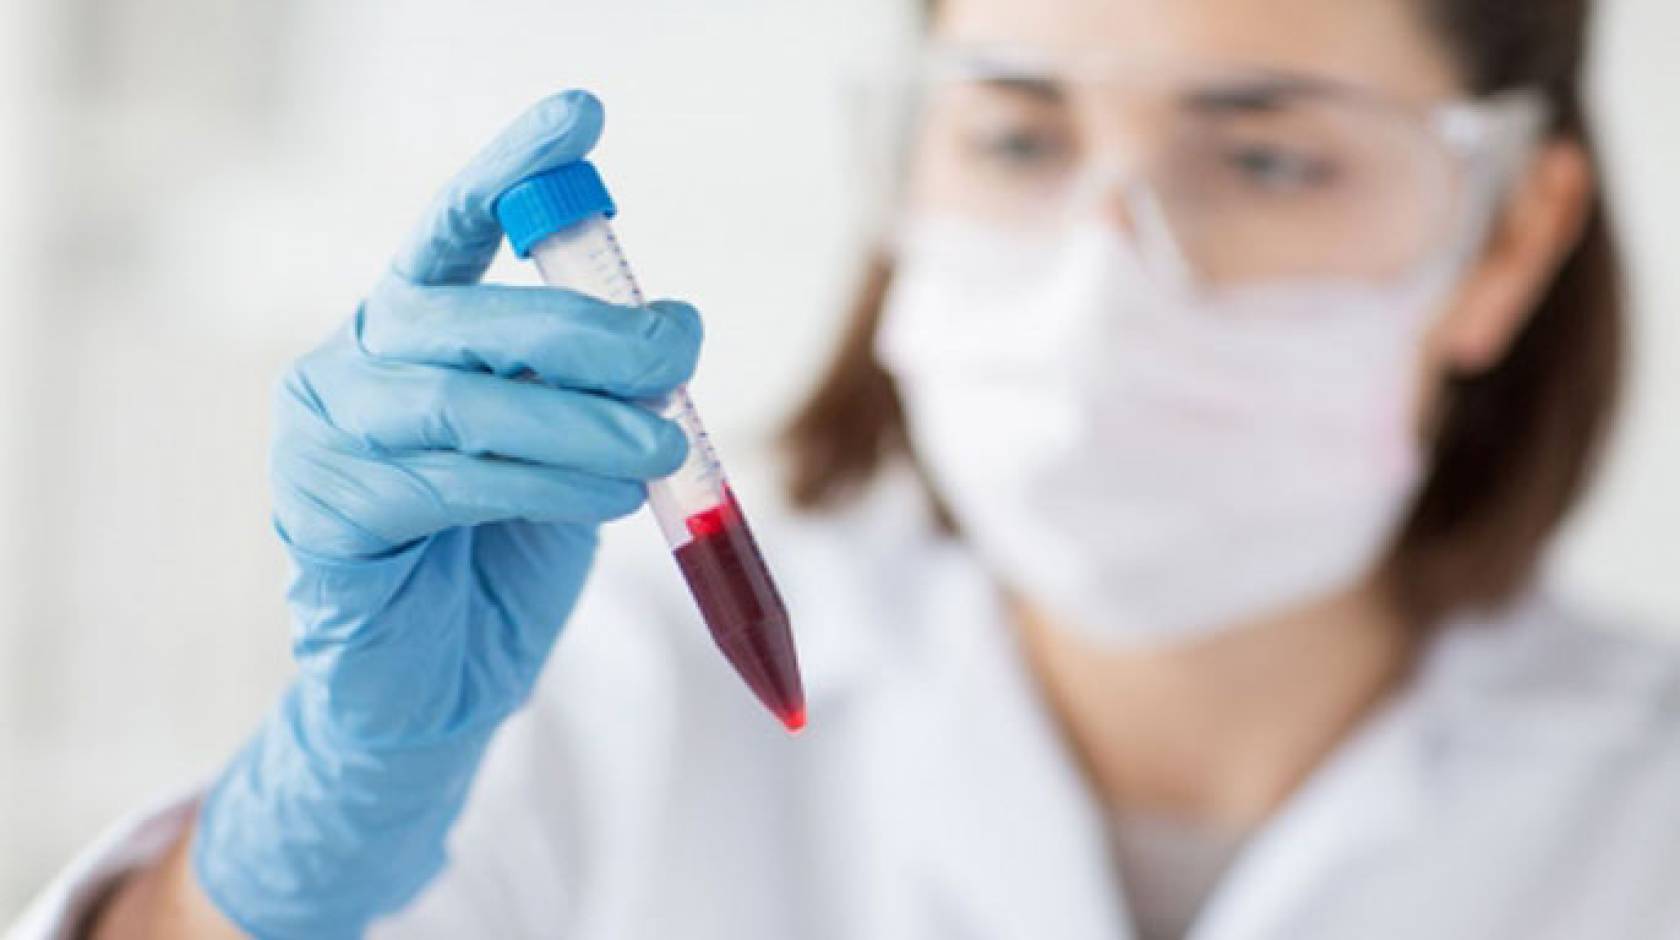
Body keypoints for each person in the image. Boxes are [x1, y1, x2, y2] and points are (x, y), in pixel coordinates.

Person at [13, 0, 1680, 937]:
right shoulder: (606, 712)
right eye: (1019, 136)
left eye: (1264, 155)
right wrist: (279, 865)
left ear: (1508, 234)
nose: (1106, 271)